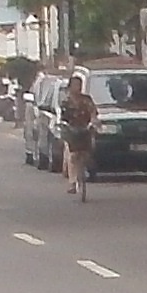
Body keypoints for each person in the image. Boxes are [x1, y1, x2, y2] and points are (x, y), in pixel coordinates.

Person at [55, 69, 99, 197]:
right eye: (74, 86)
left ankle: (88, 167)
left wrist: (94, 121)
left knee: (89, 149)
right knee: (72, 155)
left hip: (85, 128)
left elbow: (93, 111)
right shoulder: (66, 102)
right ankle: (73, 183)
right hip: (72, 130)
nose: (77, 88)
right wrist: (62, 125)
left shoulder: (86, 99)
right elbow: (62, 118)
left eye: (79, 86)